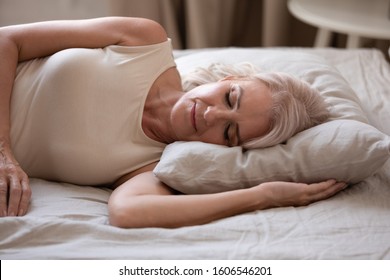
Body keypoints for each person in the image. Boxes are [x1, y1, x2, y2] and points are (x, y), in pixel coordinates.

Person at [0, 17, 347, 228]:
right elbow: (7, 39)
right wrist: (3, 151)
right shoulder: (143, 41)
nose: (212, 115)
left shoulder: (151, 167)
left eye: (229, 133)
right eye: (230, 98)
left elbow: (127, 213)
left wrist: (262, 195)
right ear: (226, 77)